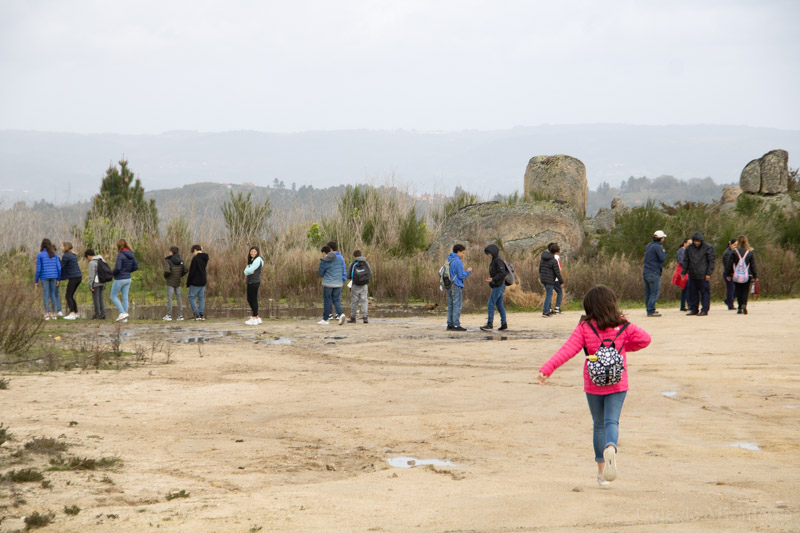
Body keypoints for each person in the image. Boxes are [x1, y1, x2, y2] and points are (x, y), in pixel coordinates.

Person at [538, 285, 652, 486]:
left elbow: (568, 350)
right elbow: (645, 339)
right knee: (611, 422)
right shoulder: (624, 325)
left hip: (594, 382)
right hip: (618, 382)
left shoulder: (585, 327)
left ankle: (601, 473)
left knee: (598, 424)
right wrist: (622, 349)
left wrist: (548, 368)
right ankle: (611, 447)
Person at [681, 231, 715, 316]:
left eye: (698, 241)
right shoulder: (689, 248)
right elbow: (686, 261)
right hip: (692, 274)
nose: (697, 243)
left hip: (703, 275)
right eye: (695, 241)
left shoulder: (708, 247)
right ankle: (694, 309)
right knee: (693, 293)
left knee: (705, 293)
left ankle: (705, 309)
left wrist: (708, 273)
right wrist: (683, 272)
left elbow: (711, 261)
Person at [725, 234, 758, 315]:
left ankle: (739, 307)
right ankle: (744, 304)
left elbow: (729, 264)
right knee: (745, 290)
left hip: (736, 275)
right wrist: (755, 275)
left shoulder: (734, 252)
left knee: (738, 290)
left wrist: (728, 274)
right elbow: (753, 265)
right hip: (747, 274)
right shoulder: (750, 252)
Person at [479, 244, 508, 331]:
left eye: (489, 253)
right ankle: (504, 323)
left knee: (490, 304)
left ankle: (490, 323)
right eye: (487, 253)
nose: (488, 255)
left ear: (493, 253)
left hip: (499, 286)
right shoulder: (494, 261)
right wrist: (492, 280)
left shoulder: (498, 261)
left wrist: (493, 279)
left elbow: (502, 273)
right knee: (499, 305)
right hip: (497, 285)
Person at [110, 239, 138, 323]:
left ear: (119, 246)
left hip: (120, 279)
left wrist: (112, 273)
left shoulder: (120, 255)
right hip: (128, 278)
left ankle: (122, 313)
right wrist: (128, 271)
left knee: (113, 296)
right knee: (125, 298)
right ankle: (124, 318)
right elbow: (136, 267)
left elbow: (118, 268)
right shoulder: (132, 254)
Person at [445, 244, 472, 331]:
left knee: (450, 305)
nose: (463, 255)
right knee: (457, 305)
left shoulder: (448, 260)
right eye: (463, 253)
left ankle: (450, 324)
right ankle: (456, 325)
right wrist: (468, 271)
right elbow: (461, 275)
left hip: (448, 285)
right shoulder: (457, 261)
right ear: (458, 251)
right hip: (456, 286)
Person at [34, 238, 62, 320]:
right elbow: (59, 268)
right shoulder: (55, 255)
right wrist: (58, 279)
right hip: (54, 276)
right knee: (53, 294)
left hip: (44, 276)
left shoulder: (40, 255)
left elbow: (38, 269)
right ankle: (54, 314)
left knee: (46, 294)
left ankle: (47, 313)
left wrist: (36, 280)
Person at [318, 245, 345, 325]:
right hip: (338, 283)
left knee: (327, 300)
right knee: (336, 299)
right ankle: (341, 314)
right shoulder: (340, 259)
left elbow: (320, 273)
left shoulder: (324, 260)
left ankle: (325, 319)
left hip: (328, 283)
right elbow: (343, 270)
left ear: (324, 253)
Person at [642, 230, 667, 317]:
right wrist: (664, 251)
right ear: (661, 239)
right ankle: (651, 310)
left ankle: (649, 309)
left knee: (648, 292)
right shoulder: (658, 247)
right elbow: (662, 258)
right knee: (654, 292)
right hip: (654, 272)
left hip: (646, 271)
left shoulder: (649, 245)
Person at [162, 246, 188, 321]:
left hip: (170, 282)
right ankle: (180, 315)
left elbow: (167, 271)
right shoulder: (181, 261)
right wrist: (180, 275)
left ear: (171, 252)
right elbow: (186, 269)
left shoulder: (168, 261)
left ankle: (169, 315)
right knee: (179, 298)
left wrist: (166, 277)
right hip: (178, 282)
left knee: (169, 298)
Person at [538, 243, 563, 318]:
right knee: (549, 295)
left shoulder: (543, 258)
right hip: (550, 279)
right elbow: (557, 272)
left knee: (548, 294)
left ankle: (548, 309)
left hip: (543, 278)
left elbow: (540, 269)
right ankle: (545, 311)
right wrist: (561, 281)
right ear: (556, 252)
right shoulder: (553, 260)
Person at [347, 250, 372, 324]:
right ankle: (365, 317)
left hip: (355, 285)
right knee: (364, 300)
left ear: (354, 256)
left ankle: (353, 318)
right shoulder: (366, 263)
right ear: (361, 255)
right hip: (364, 285)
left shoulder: (352, 264)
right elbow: (370, 273)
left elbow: (348, 275)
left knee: (354, 301)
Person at [59, 242, 82, 320]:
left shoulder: (66, 256)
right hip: (78, 276)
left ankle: (72, 313)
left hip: (73, 277)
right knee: (71, 295)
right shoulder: (72, 255)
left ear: (65, 247)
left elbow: (61, 267)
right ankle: (76, 312)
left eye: (61, 246)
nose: (60, 248)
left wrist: (58, 260)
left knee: (68, 295)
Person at [186, 244, 209, 321]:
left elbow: (192, 272)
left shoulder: (195, 259)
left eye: (193, 252)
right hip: (203, 280)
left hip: (195, 281)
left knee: (191, 296)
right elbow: (203, 254)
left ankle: (197, 314)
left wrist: (188, 282)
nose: (193, 253)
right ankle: (201, 314)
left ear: (195, 250)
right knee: (201, 298)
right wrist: (201, 251)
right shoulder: (205, 258)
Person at [243, 246, 263, 325]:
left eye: (254, 251)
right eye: (251, 251)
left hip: (254, 282)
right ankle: (257, 316)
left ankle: (254, 317)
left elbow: (248, 270)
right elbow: (247, 270)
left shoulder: (257, 260)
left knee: (253, 299)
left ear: (257, 252)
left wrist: (247, 270)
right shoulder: (252, 260)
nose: (252, 253)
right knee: (249, 299)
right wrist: (247, 270)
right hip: (250, 281)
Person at [85, 249, 107, 320]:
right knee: (101, 298)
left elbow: (92, 275)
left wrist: (90, 285)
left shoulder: (92, 263)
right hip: (103, 281)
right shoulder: (102, 260)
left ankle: (97, 314)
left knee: (96, 299)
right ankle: (103, 314)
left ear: (88, 256)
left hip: (96, 283)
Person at [672, 238, 691, 311]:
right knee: (687, 287)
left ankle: (683, 305)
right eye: (689, 244)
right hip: (682, 271)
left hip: (686, 271)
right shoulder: (681, 251)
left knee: (685, 289)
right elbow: (681, 261)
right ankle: (688, 304)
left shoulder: (687, 251)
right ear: (684, 243)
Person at [721, 239, 738, 310]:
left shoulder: (733, 252)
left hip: (734, 273)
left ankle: (728, 300)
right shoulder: (727, 253)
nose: (736, 246)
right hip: (729, 273)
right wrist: (730, 274)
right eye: (735, 245)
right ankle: (730, 304)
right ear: (730, 244)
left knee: (735, 289)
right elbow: (727, 265)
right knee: (731, 289)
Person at [551, 244, 565, 314]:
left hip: (548, 278)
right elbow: (559, 268)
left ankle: (549, 308)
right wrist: (560, 280)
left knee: (549, 293)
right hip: (556, 278)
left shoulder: (548, 257)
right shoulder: (557, 257)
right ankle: (557, 307)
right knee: (559, 292)